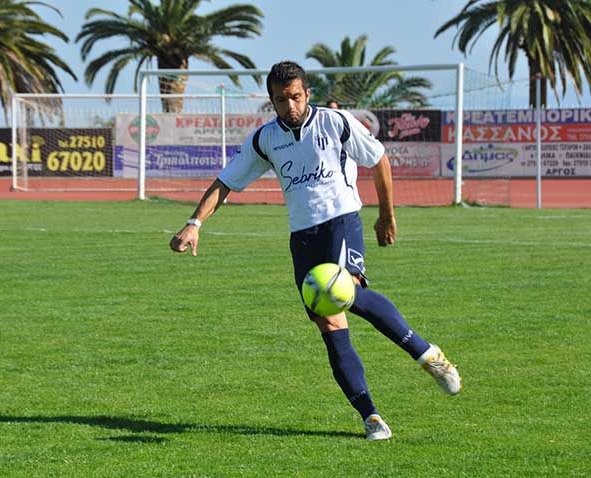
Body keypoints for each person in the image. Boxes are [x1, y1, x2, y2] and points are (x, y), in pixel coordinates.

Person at [169, 61, 461, 441]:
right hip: (302, 238)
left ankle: (428, 356)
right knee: (330, 325)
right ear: (271, 101)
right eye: (281, 100)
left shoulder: (334, 122)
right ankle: (371, 416)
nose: (289, 106)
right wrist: (194, 223)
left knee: (345, 291)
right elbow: (226, 182)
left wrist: (386, 216)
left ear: (307, 93)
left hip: (341, 221)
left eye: (295, 96)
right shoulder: (264, 139)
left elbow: (378, 159)